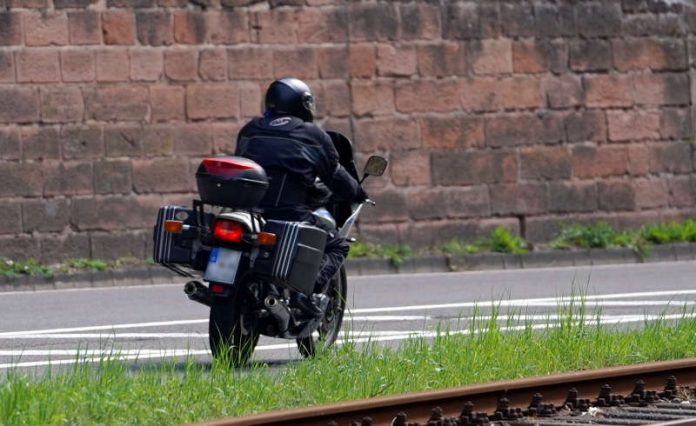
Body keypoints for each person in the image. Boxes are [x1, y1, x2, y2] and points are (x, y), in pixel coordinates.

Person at [234, 78, 367, 314]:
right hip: (290, 214)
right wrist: (357, 192)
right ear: (303, 103)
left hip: (249, 214)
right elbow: (335, 176)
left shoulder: (250, 129)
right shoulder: (313, 135)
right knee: (337, 245)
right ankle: (306, 294)